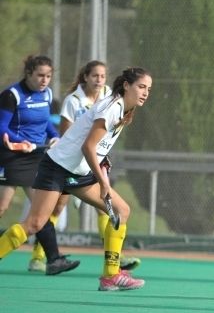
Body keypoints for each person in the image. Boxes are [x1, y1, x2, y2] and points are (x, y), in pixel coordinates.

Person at [0, 67, 152, 291]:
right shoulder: (112, 107)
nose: (146, 92)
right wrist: (103, 183)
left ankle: (111, 275)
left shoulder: (125, 109)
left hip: (78, 172)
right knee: (34, 224)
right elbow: (88, 145)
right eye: (141, 87)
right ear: (127, 85)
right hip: (57, 168)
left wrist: (103, 159)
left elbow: (96, 145)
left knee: (122, 211)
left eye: (148, 89)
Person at [27, 61, 141, 273]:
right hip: (66, 165)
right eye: (95, 76)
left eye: (103, 76)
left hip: (86, 167)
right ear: (85, 77)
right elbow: (71, 136)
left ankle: (113, 264)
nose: (99, 80)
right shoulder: (74, 101)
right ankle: (39, 256)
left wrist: (101, 158)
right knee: (52, 211)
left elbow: (99, 140)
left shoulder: (112, 96)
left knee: (111, 211)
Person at [0, 54, 77, 275]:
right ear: (28, 74)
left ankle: (53, 259)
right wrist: (18, 141)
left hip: (36, 158)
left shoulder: (47, 94)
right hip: (11, 157)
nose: (45, 80)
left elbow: (46, 126)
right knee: (2, 207)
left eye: (49, 76)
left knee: (42, 210)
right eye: (40, 75)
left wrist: (54, 137)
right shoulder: (11, 95)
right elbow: (1, 127)